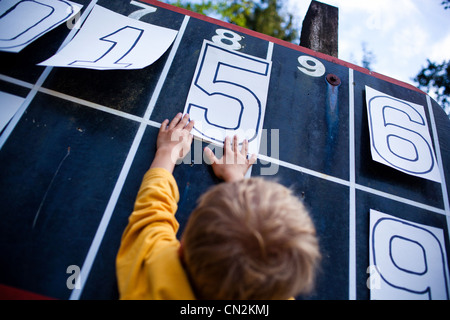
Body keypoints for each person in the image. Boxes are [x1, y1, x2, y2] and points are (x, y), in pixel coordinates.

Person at [116, 113, 321, 300]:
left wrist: (168, 152)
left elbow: (152, 213)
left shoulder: (151, 280)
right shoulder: (274, 285)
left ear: (182, 247)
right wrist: (235, 178)